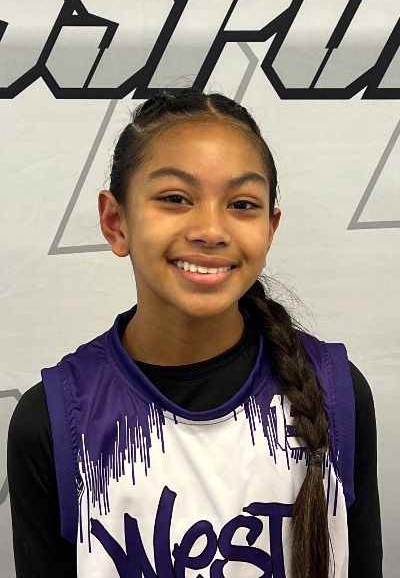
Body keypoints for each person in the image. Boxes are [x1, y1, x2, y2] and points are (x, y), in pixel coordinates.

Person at [8, 88, 382, 578]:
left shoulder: (336, 394)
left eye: (242, 204)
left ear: (270, 230)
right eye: (175, 199)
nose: (211, 229)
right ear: (116, 222)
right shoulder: (55, 420)